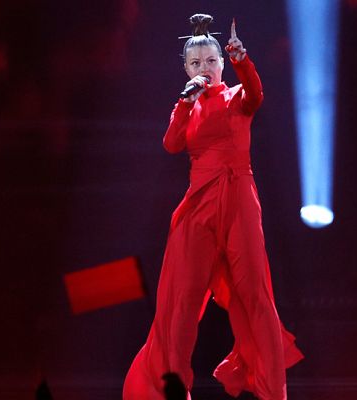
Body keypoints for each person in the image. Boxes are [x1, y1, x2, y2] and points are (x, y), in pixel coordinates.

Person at [123, 13, 304, 400]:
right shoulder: (187, 106)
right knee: (183, 304)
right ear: (186, 69)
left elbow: (256, 94)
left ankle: (273, 392)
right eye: (195, 63)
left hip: (238, 199)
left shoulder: (236, 96)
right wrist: (185, 102)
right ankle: (172, 390)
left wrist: (243, 60)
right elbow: (172, 144)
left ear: (221, 63)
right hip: (199, 206)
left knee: (255, 296)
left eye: (210, 60)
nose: (203, 68)